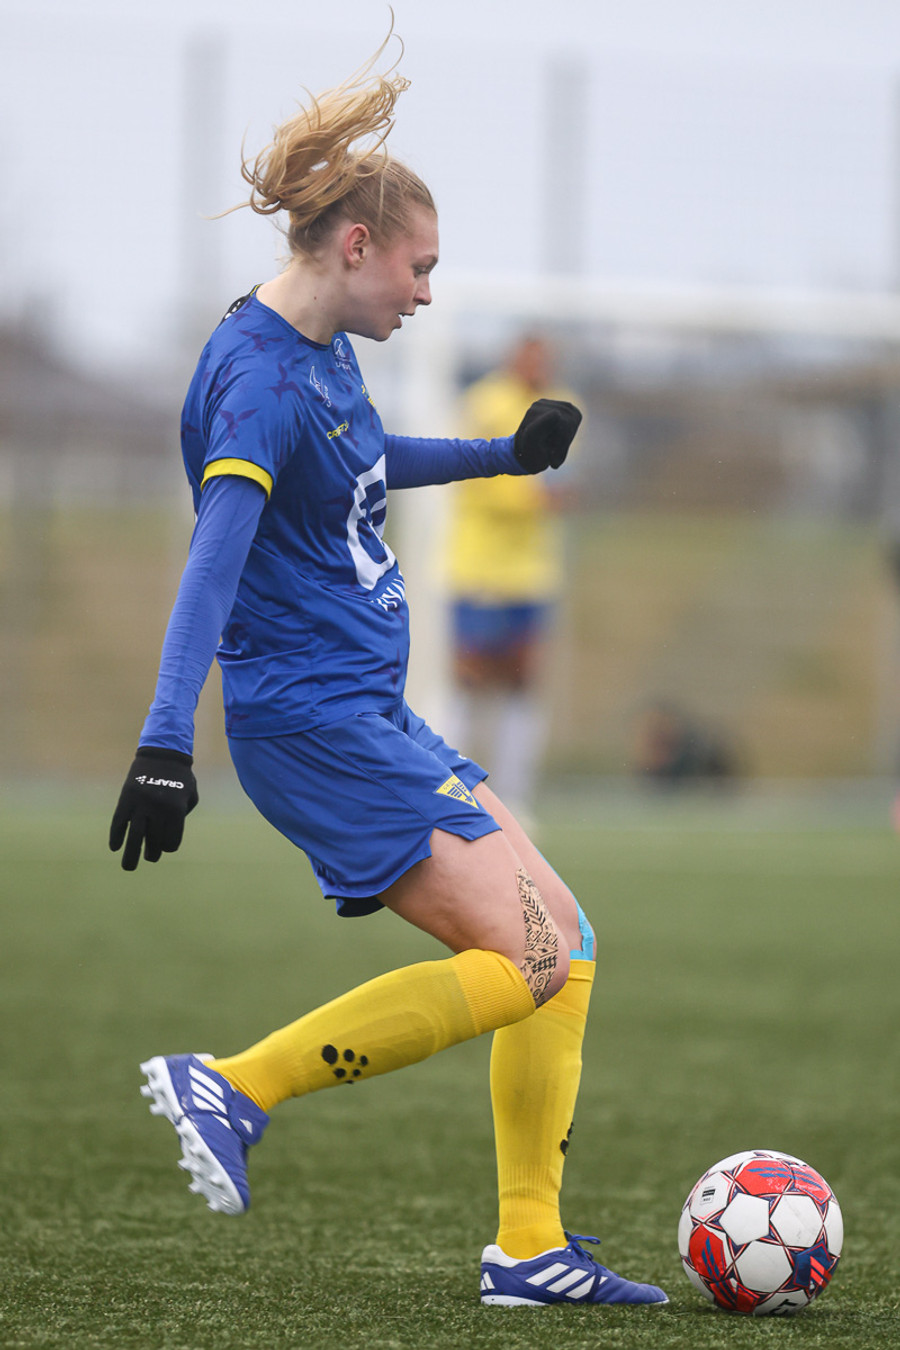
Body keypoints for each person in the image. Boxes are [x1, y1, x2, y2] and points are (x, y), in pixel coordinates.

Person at [109, 34, 667, 1311]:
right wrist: (164, 739)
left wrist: (502, 458)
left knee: (567, 944)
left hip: (368, 714)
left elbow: (365, 460)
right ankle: (235, 1086)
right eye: (420, 267)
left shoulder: (318, 349)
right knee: (525, 956)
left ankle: (529, 1249)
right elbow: (210, 567)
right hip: (312, 727)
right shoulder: (257, 381)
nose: (425, 292)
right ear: (356, 247)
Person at [444, 334, 579, 826]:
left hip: (532, 572)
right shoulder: (484, 403)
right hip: (480, 567)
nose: (539, 365)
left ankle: (515, 798)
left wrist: (559, 495)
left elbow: (568, 478)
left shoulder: (565, 405)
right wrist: (533, 500)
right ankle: (450, 790)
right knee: (470, 679)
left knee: (523, 681)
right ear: (513, 359)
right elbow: (476, 476)